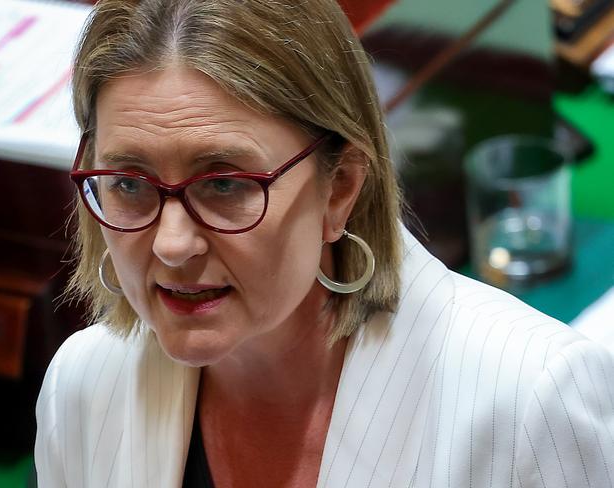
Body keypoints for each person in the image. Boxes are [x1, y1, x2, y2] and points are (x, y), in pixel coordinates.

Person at [35, 0, 614, 486]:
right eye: (130, 184)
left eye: (225, 184)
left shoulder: (529, 401)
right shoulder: (81, 389)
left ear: (339, 188)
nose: (172, 244)